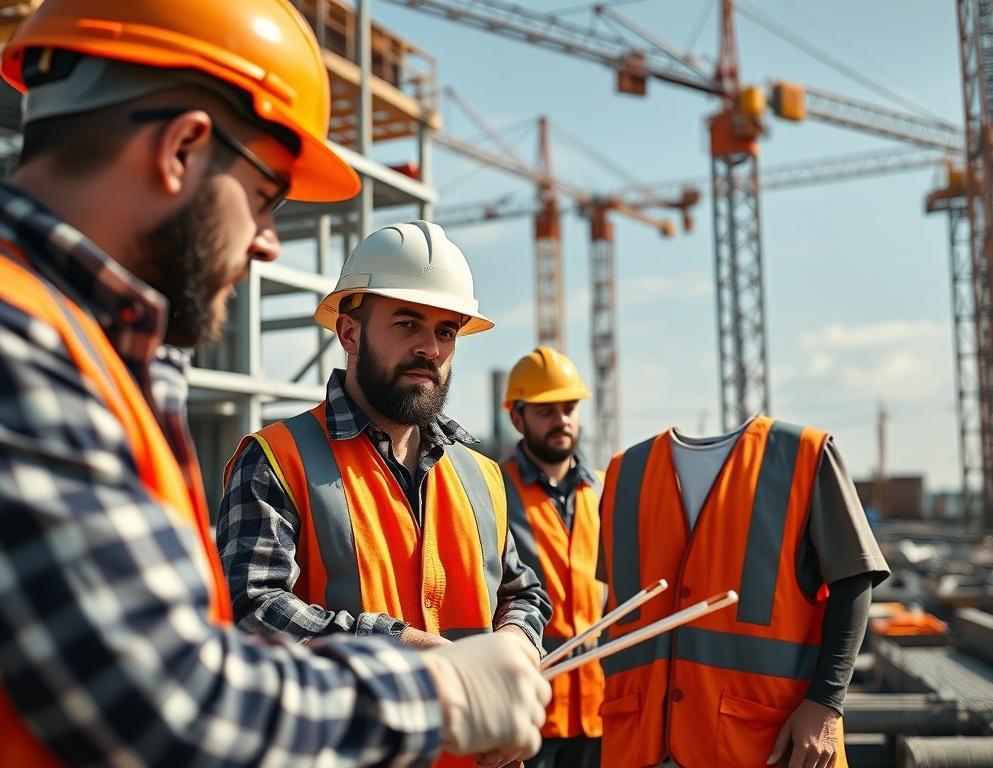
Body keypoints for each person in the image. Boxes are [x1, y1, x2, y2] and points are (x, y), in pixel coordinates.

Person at [0, 2, 549, 765]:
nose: (264, 242)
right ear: (183, 148)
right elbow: (175, 703)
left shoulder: (86, 352)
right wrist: (440, 690)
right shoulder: (21, 344)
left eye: (447, 331)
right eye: (265, 199)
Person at [219, 220, 552, 768]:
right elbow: (252, 614)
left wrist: (515, 649)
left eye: (447, 331)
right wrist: (407, 651)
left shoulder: (482, 474)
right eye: (407, 324)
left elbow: (523, 591)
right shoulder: (277, 459)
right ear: (349, 333)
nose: (430, 348)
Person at [597, 417, 889, 768]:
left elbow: (853, 578)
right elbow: (615, 606)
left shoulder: (803, 455)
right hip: (640, 743)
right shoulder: (624, 472)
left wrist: (826, 702)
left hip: (766, 743)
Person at [500, 347, 605, 768]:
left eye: (569, 408)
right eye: (545, 410)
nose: (561, 420)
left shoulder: (601, 489)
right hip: (530, 706)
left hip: (599, 707)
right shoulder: (493, 491)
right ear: (517, 418)